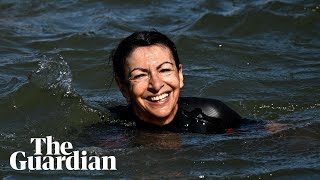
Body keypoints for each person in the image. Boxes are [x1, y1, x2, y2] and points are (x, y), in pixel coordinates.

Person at [109, 30, 242, 134]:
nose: (156, 85)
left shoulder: (213, 116)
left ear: (180, 75)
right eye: (140, 75)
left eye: (165, 70)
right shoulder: (113, 133)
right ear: (123, 87)